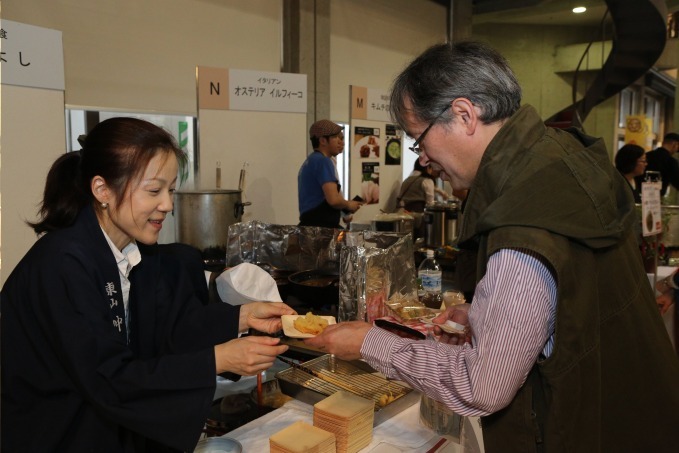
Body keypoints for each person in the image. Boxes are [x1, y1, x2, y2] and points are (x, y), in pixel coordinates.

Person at [306, 41, 679, 452]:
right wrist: (487, 311)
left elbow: (481, 386)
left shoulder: (522, 220)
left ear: (465, 115)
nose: (424, 159)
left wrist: (367, 342)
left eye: (419, 140)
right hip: (638, 412)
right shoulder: (559, 154)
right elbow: (573, 297)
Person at [0, 117, 295, 452]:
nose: (167, 205)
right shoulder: (63, 264)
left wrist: (240, 317)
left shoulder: (129, 252)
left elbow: (162, 335)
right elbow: (109, 377)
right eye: (154, 191)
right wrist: (217, 359)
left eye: (170, 190)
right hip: (56, 434)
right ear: (102, 190)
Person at [298, 119, 362, 228]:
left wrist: (344, 209)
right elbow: (333, 200)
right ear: (323, 141)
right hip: (321, 229)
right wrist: (349, 204)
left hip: (309, 226)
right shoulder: (323, 161)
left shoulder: (310, 161)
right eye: (336, 137)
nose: (341, 142)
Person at [639, 132, 679, 196]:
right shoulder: (671, 161)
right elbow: (677, 181)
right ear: (675, 144)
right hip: (655, 199)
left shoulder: (647, 156)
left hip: (639, 195)